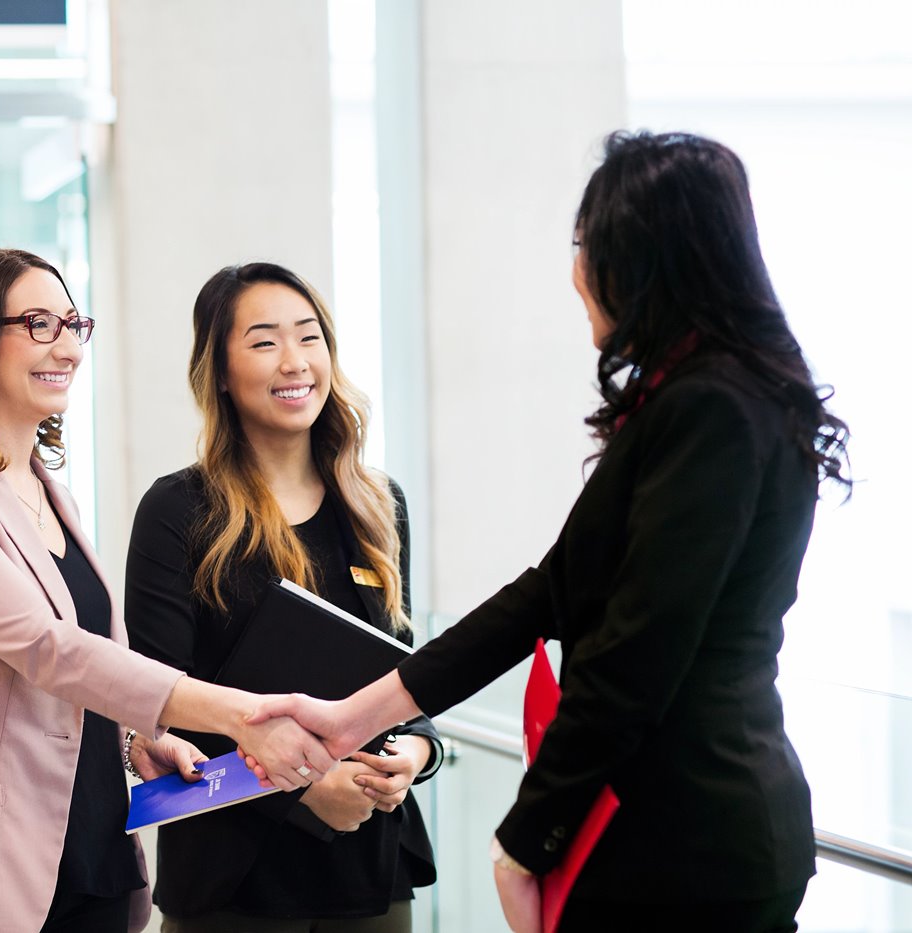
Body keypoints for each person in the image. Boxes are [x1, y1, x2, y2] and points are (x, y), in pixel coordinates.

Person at [248, 131, 852, 933]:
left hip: (688, 842)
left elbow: (636, 653)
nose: (576, 273)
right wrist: (361, 713)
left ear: (645, 257)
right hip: (670, 832)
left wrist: (527, 838)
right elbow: (546, 593)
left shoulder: (713, 409)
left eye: (585, 245)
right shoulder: (697, 398)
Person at [0, 245, 337, 933]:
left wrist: (136, 742)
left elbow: (77, 665)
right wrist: (238, 713)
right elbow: (44, 647)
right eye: (38, 324)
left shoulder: (52, 494)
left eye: (72, 324)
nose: (67, 347)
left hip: (91, 843)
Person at [124, 262, 443, 932]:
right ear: (219, 370)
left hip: (370, 869)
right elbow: (158, 704)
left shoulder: (377, 506)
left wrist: (414, 756)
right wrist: (298, 785)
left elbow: (401, 676)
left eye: (309, 337)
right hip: (236, 877)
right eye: (265, 341)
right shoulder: (178, 511)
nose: (294, 361)